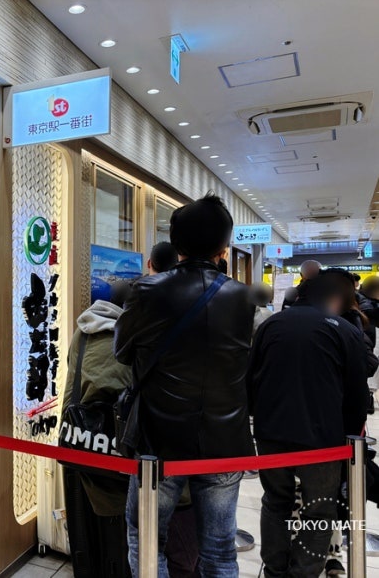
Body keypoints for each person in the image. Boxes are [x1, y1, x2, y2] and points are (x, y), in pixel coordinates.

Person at [116, 193, 256, 577]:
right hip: (226, 439)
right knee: (220, 549)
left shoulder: (147, 291)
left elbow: (122, 353)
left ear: (175, 243)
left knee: (146, 540)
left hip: (159, 439)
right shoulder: (243, 298)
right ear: (224, 246)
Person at [247, 273, 369, 578]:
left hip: (271, 431)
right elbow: (356, 396)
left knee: (276, 501)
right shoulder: (343, 330)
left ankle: (275, 570)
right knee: (319, 509)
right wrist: (350, 442)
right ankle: (303, 572)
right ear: (335, 299)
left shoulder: (270, 325)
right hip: (323, 439)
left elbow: (250, 380)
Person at [61, 280, 132, 578]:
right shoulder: (130, 338)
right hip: (113, 444)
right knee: (118, 534)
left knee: (83, 529)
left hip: (77, 439)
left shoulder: (82, 330)